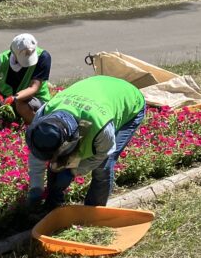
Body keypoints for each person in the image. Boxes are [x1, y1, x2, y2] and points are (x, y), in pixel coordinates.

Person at [25, 75, 146, 209]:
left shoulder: (100, 126)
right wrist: (36, 187)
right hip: (95, 86)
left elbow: (103, 154)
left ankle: (92, 212)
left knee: (103, 167)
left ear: (71, 140)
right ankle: (52, 206)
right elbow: (38, 155)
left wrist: (74, 171)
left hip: (129, 98)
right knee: (59, 161)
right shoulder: (43, 116)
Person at [0, 33, 52, 125]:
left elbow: (33, 88)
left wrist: (14, 98)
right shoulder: (2, 58)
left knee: (20, 102)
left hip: (33, 100)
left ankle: (36, 125)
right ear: (13, 53)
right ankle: (2, 117)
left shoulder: (43, 57)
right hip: (7, 98)